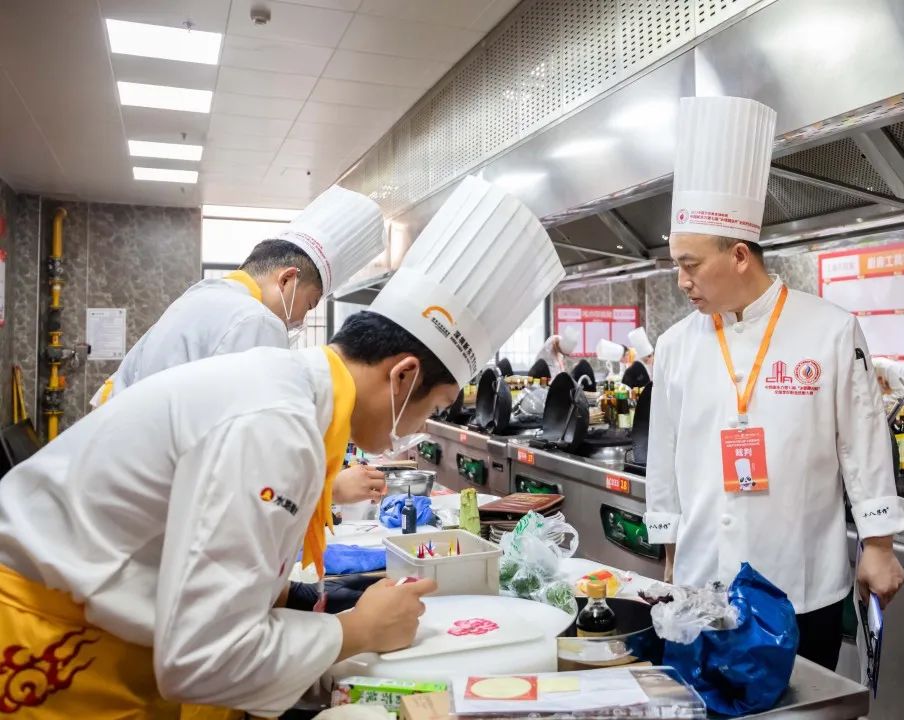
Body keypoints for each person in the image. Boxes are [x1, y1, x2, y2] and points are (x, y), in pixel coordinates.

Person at [0, 175, 565, 718]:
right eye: (433, 407)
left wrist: (308, 605)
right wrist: (355, 630)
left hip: (101, 631)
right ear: (403, 375)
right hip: (49, 647)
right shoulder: (279, 424)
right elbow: (200, 660)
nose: (419, 428)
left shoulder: (291, 396)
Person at [644, 96, 904, 672]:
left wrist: (880, 545)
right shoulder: (675, 345)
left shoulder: (831, 329)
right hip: (701, 585)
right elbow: (664, 459)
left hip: (802, 586)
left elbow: (862, 441)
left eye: (690, 264)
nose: (681, 281)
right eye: (676, 265)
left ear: (740, 255)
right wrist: (670, 557)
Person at [89, 184, 386, 408]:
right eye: (309, 305)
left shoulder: (202, 295)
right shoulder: (256, 320)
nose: (300, 320)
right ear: (287, 279)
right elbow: (250, 433)